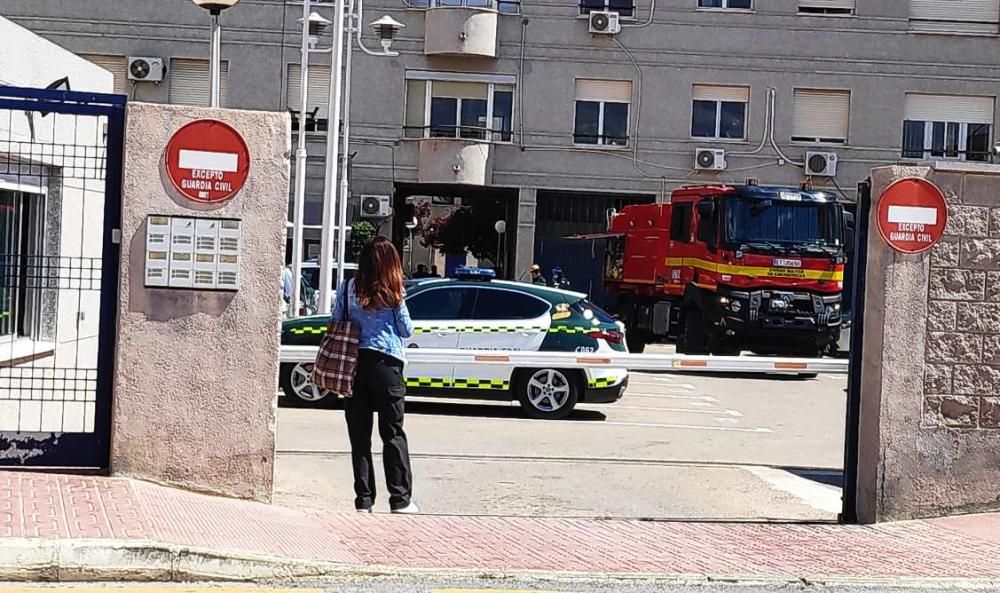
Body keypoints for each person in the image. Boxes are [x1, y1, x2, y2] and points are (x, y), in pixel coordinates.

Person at [331, 237, 417, 514]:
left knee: (360, 436)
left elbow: (335, 321)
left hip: (354, 364)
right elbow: (406, 330)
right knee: (392, 433)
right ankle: (400, 499)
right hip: (387, 365)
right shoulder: (393, 292)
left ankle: (364, 500)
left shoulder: (347, 288)